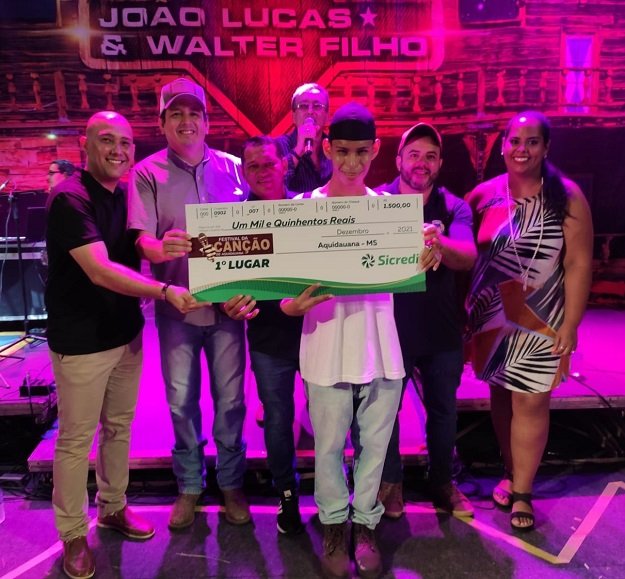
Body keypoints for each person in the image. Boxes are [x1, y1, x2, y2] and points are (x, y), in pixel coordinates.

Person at [280, 103, 437, 579]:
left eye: (361, 152)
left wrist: (428, 248)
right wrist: (294, 306)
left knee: (375, 447)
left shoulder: (390, 214)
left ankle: (365, 525)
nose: (351, 162)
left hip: (380, 346)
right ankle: (333, 524)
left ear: (376, 151)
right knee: (328, 447)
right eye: (343, 151)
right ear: (327, 149)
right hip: (325, 345)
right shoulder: (300, 209)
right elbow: (283, 298)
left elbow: (423, 254)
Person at [46, 111, 197, 579]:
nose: (118, 150)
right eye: (107, 140)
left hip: (125, 334)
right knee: (75, 441)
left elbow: (140, 246)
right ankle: (73, 533)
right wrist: (165, 290)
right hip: (82, 343)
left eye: (126, 142)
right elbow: (100, 270)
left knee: (118, 429)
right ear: (85, 144)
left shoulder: (123, 194)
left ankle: (112, 507)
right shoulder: (69, 197)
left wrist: (162, 248)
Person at [128, 78, 251, 531]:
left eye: (193, 113)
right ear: (162, 123)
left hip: (227, 311)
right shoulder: (146, 173)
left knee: (231, 401)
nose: (186, 121)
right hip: (177, 307)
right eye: (176, 114)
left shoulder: (234, 169)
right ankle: (190, 485)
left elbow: (257, 236)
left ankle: (232, 482)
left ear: (206, 121)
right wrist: (159, 249)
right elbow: (140, 240)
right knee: (181, 402)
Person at [465, 111, 593, 531]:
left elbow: (577, 264)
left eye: (532, 141)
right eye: (515, 140)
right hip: (491, 315)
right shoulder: (483, 195)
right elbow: (462, 250)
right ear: (503, 145)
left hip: (543, 314)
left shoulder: (567, 197)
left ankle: (523, 491)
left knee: (532, 399)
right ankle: (510, 470)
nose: (522, 149)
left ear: (546, 148)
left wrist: (571, 324)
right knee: (502, 395)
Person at [376, 123, 477, 519]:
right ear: (398, 159)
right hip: (389, 327)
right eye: (414, 154)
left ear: (440, 164)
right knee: (385, 413)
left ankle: (442, 483)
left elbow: (467, 255)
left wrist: (437, 241)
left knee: (443, 411)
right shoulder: (377, 201)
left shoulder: (453, 206)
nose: (422, 163)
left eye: (430, 156)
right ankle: (391, 484)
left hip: (441, 327)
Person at [222, 136, 305, 536]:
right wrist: (227, 301)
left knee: (331, 417)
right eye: (253, 166)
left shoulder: (309, 209)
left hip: (317, 333)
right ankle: (286, 492)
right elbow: (227, 287)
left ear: (285, 164)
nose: (262, 172)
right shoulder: (233, 222)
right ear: (244, 172)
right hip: (269, 338)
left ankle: (335, 491)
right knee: (277, 418)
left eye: (269, 163)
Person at [275, 82, 333, 193]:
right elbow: (276, 186)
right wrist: (298, 150)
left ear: (327, 116)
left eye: (317, 106)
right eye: (303, 106)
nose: (310, 112)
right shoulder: (278, 146)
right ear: (293, 116)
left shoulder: (334, 147)